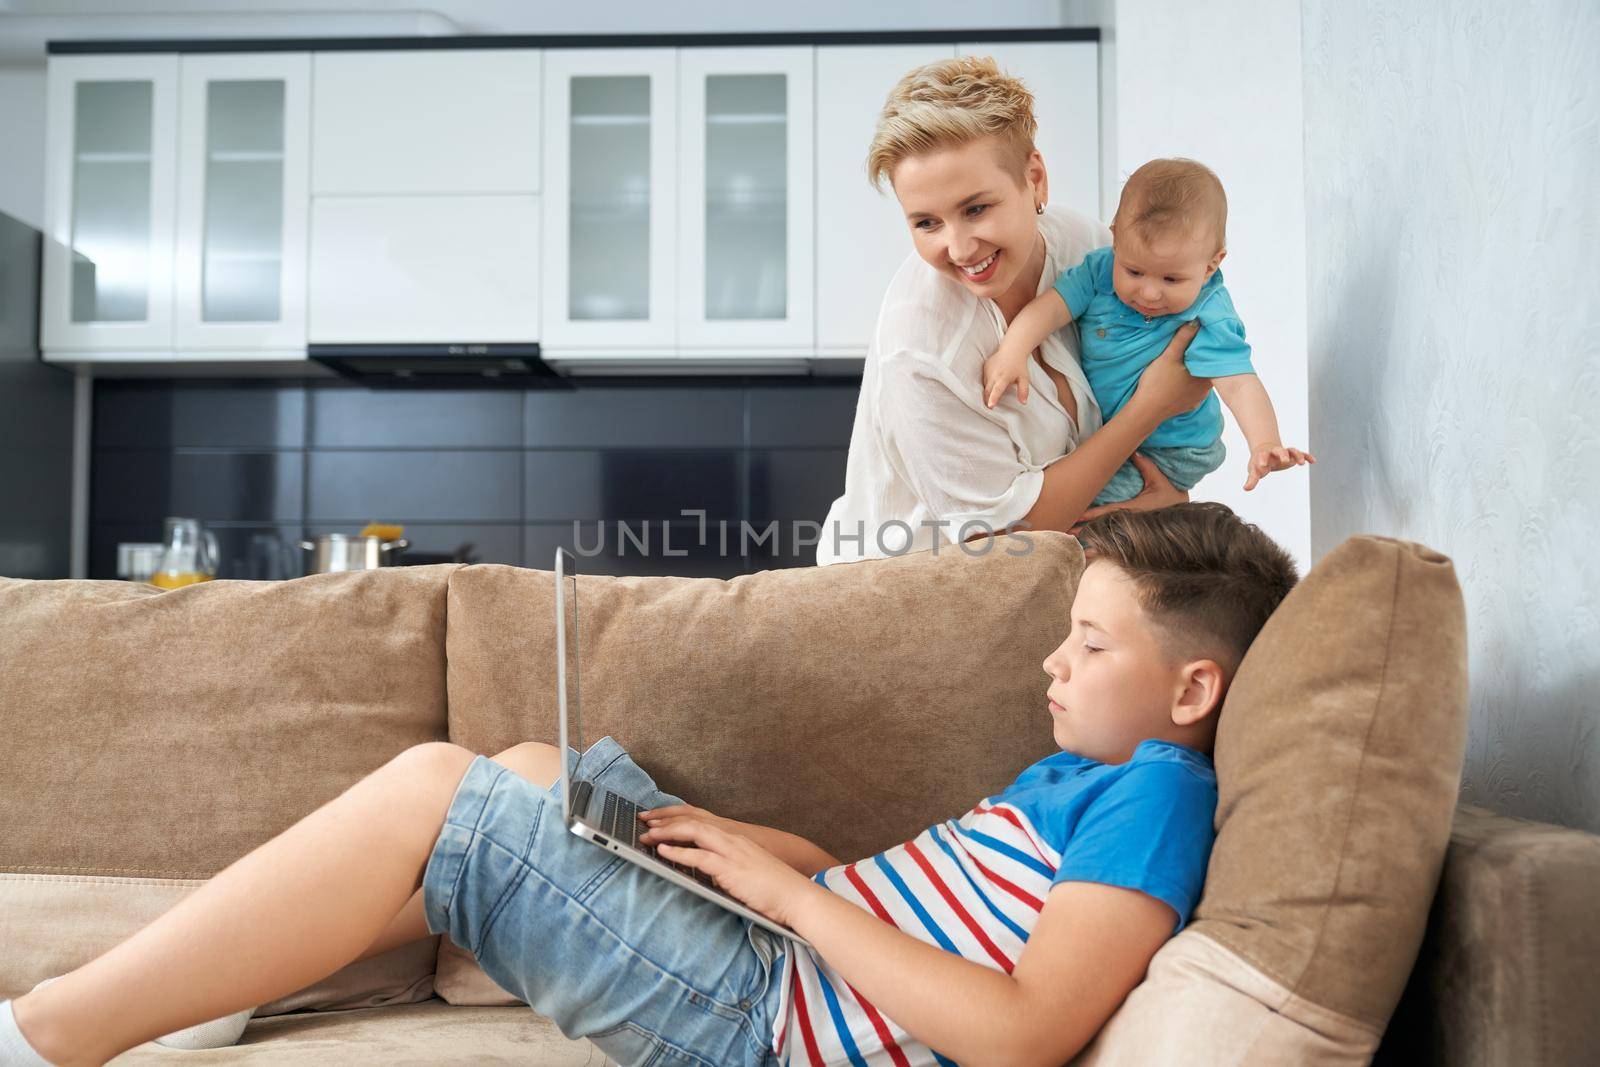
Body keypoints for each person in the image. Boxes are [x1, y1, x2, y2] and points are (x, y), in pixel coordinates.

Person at [1, 501, 1298, 1067]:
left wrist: (785, 901)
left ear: (1191, 689)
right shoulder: (1079, 775)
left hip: (765, 1013)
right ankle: (226, 986)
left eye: (1089, 641)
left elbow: (1018, 1032)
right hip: (780, 949)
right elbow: (910, 897)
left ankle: (50, 1029)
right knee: (525, 769)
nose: (1051, 659)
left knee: (433, 785)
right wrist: (747, 846)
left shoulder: (1162, 792)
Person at [816, 56, 1215, 566]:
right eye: (926, 223)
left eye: (976, 208)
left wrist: (1166, 498)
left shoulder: (1088, 250)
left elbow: (1172, 357)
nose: (959, 249)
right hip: (907, 598)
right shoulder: (921, 345)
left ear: (1035, 178)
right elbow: (1004, 538)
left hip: (1056, 575)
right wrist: (1149, 410)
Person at [980, 157, 1315, 502]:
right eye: (1135, 271)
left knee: (1074, 506)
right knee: (1065, 485)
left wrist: (1265, 443)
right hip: (1120, 436)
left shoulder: (1208, 312)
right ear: (1115, 240)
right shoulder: (1101, 271)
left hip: (1171, 449)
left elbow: (1239, 384)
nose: (1150, 293)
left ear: (1211, 265)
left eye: (1172, 279)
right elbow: (1050, 308)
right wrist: (1013, 349)